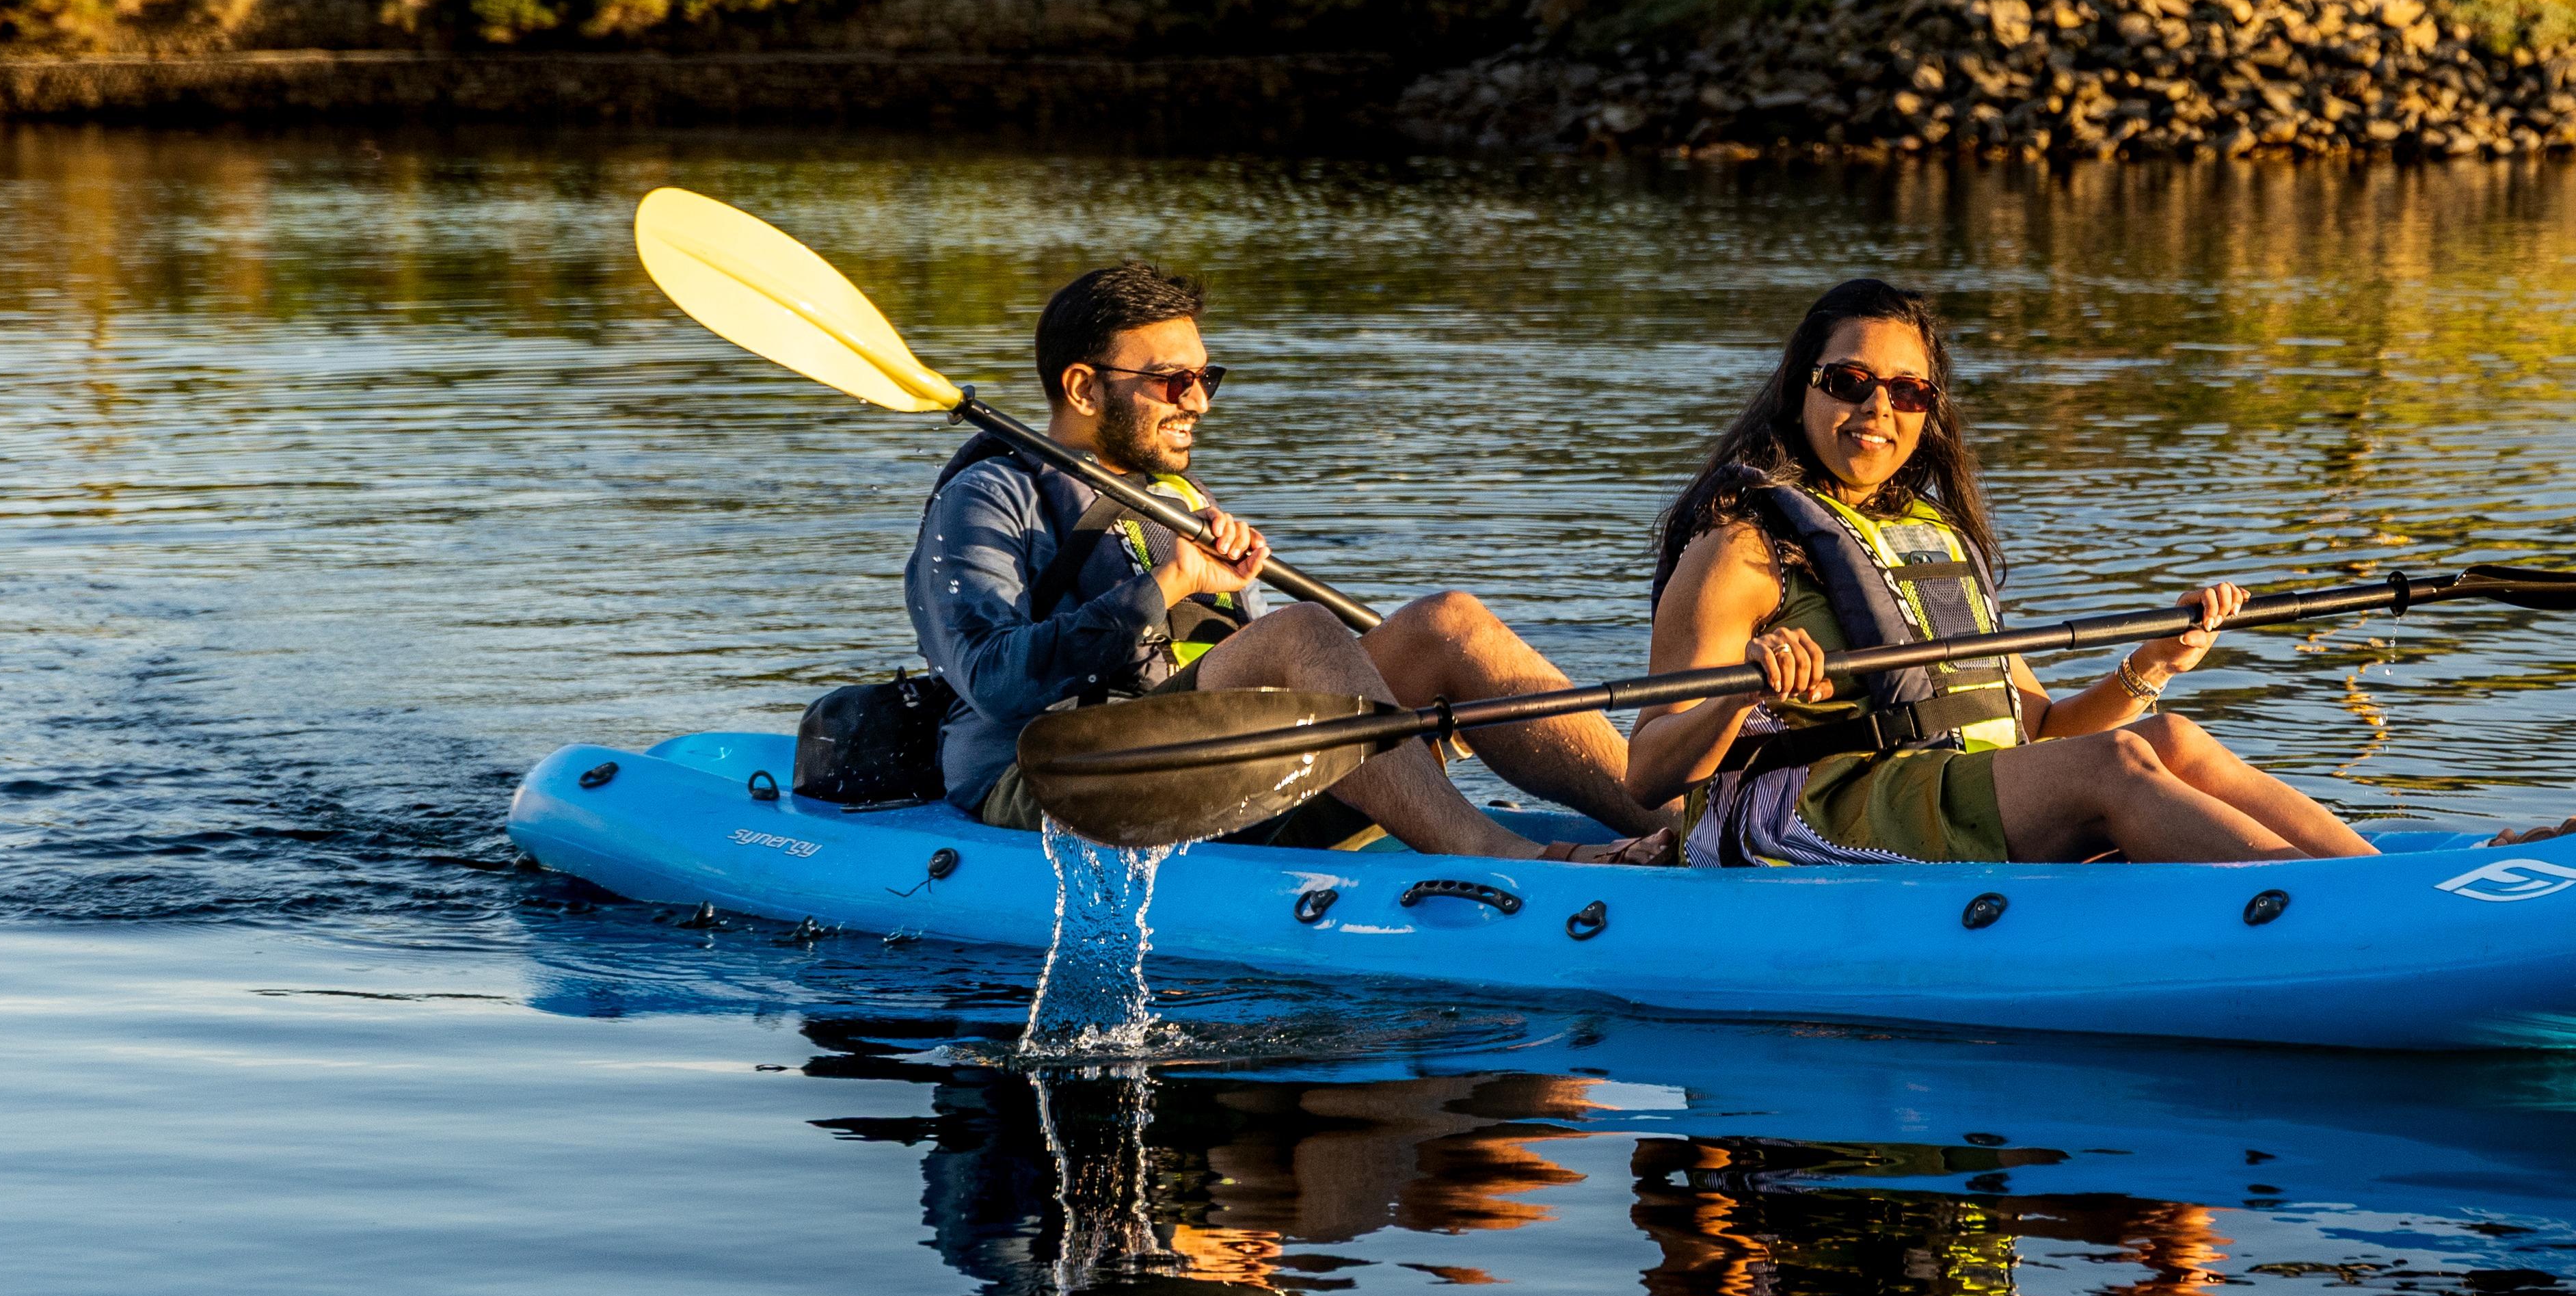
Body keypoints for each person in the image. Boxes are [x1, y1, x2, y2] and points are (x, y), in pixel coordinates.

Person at [1628, 277, 2387, 867]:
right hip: (1801, 814)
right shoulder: (1740, 551)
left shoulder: (1928, 539)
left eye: (1908, 391)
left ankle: (2380, 882)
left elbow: (2037, 730)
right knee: (2117, 764)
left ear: (1930, 411)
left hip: (1935, 790)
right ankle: (2339, 909)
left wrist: (2152, 665)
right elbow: (1648, 771)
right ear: (1803, 389)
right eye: (1848, 382)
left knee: (2174, 739)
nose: (1877, 410)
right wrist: (1741, 696)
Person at [907, 261, 1654, 858]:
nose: (1198, 402)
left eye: (1207, 378)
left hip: (1199, 756)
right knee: (1301, 632)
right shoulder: (989, 495)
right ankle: (1488, 852)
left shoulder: (1175, 496)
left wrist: (1412, 718)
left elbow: (1238, 666)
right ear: (1083, 386)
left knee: (1447, 625)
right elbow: (993, 681)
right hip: (1056, 775)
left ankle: (1684, 820)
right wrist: (1172, 583)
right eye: (1174, 381)